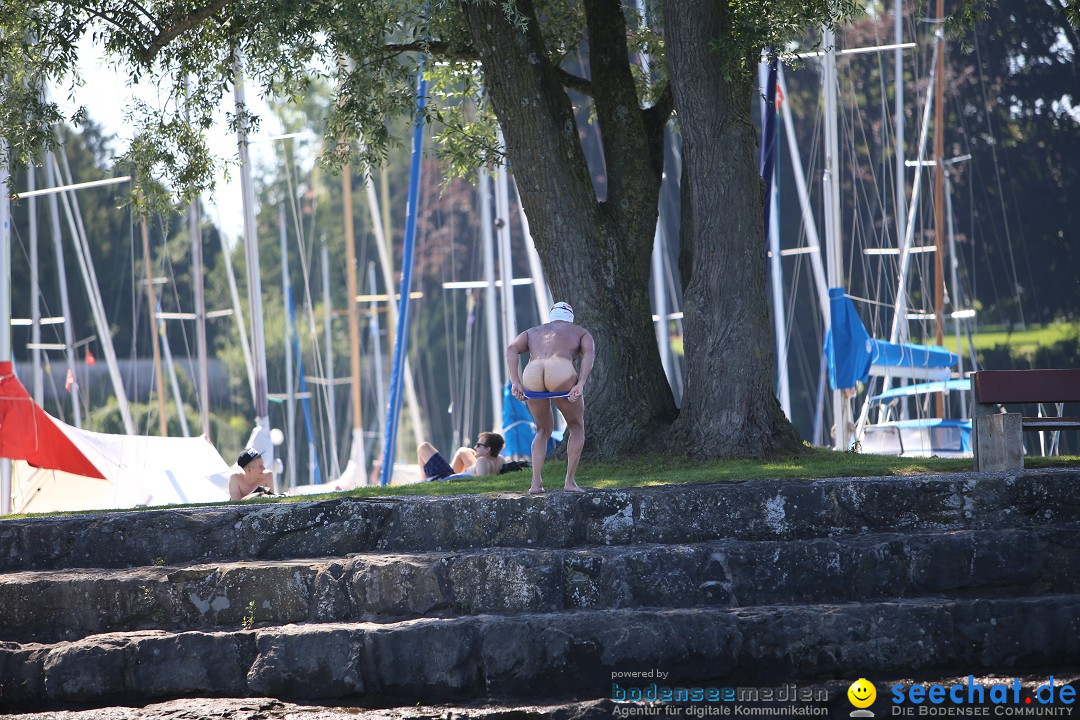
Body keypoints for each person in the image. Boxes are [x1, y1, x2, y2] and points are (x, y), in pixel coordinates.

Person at [506, 301, 595, 494]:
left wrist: (515, 381)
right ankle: (570, 482)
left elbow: (512, 348)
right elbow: (588, 354)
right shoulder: (580, 332)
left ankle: (535, 484)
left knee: (542, 430)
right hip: (560, 369)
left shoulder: (532, 332)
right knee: (576, 427)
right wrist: (580, 383)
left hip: (533, 372)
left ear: (551, 316)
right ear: (570, 318)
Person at [417, 431, 506, 482]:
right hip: (452, 476)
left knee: (423, 447)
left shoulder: (482, 461)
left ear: (487, 449)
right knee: (463, 451)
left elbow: (482, 483)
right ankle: (426, 480)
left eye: (478, 445)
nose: (475, 447)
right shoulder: (500, 459)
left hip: (441, 478)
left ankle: (426, 481)